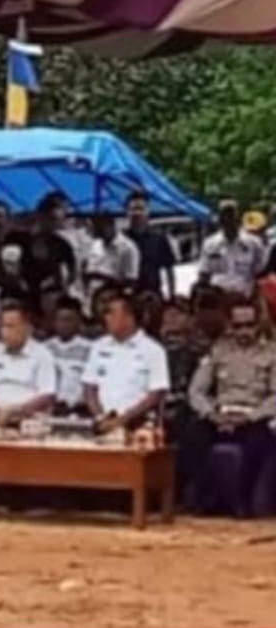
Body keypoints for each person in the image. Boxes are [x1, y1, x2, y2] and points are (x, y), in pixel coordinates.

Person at [186, 300, 276, 516]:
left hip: (254, 416)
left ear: (258, 324)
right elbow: (196, 390)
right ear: (230, 326)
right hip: (221, 414)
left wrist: (252, 416)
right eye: (238, 326)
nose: (244, 331)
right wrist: (211, 413)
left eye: (249, 325)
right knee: (192, 436)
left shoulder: (272, 353)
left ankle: (243, 501)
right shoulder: (218, 352)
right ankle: (205, 499)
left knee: (259, 443)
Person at [82, 291, 170, 435]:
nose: (106, 318)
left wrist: (122, 420)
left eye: (111, 313)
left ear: (129, 317)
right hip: (102, 424)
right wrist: (100, 417)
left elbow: (156, 394)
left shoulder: (153, 350)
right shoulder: (98, 346)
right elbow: (89, 388)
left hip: (139, 426)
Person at [0, 302, 57, 428]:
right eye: (2, 326)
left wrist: (16, 411)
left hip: (29, 422)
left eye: (11, 327)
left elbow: (47, 395)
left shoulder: (42, 354)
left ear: (27, 328)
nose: (5, 332)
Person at [199, 200, 266, 297]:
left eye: (231, 218)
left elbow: (261, 273)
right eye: (224, 218)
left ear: (237, 220)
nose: (228, 222)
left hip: (245, 297)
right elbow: (204, 273)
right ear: (219, 221)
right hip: (218, 297)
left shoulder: (254, 244)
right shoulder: (210, 244)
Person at [43, 296, 91, 415]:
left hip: (79, 409)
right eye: (60, 320)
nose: (64, 324)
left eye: (69, 320)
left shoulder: (90, 349)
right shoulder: (44, 349)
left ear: (79, 321)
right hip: (50, 408)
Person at [124, 191, 177, 298]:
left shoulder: (159, 238)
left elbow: (169, 270)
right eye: (133, 209)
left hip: (152, 297)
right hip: (126, 298)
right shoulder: (121, 239)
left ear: (148, 211)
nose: (137, 213)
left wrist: (171, 296)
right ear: (127, 212)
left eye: (141, 208)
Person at [83, 215, 140, 295]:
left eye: (99, 227)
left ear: (109, 225)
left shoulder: (128, 248)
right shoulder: (95, 244)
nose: (96, 231)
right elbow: (88, 270)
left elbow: (131, 282)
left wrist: (101, 276)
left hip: (114, 296)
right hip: (93, 296)